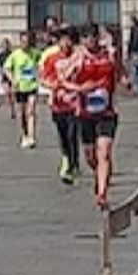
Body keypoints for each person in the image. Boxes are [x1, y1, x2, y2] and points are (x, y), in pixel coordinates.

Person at [65, 24, 119, 209]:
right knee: (90, 155)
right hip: (85, 113)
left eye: (93, 37)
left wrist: (124, 79)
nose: (91, 41)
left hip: (107, 113)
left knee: (104, 152)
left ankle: (102, 193)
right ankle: (99, 174)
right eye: (87, 38)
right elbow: (63, 80)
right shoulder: (78, 58)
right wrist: (79, 88)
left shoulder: (108, 55)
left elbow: (120, 71)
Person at [40, 27, 81, 184]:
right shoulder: (52, 58)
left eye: (68, 39)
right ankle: (67, 157)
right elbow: (43, 78)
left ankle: (72, 164)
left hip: (75, 103)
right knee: (63, 135)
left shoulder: (78, 57)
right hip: (58, 104)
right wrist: (53, 85)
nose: (66, 43)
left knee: (72, 134)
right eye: (62, 40)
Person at [3, 31, 43, 149]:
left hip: (32, 86)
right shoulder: (15, 55)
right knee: (22, 114)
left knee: (31, 111)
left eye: (28, 41)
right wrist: (13, 79)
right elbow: (6, 68)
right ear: (20, 42)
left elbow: (41, 64)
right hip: (19, 87)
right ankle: (25, 134)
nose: (25, 44)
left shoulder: (35, 53)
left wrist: (39, 74)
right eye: (23, 41)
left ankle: (32, 136)